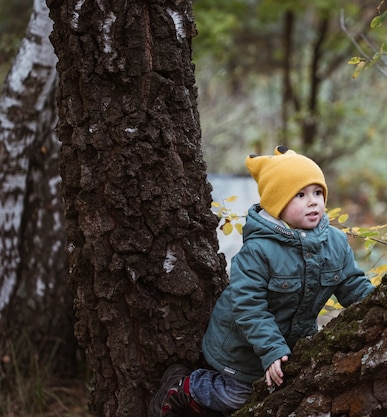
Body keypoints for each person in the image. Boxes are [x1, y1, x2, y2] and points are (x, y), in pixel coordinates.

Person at [151, 146, 375, 416]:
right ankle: (186, 387)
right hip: (241, 348)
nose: (313, 201)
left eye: (318, 192)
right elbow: (249, 307)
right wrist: (271, 350)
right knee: (239, 396)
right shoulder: (258, 251)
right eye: (300, 195)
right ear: (277, 203)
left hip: (287, 347)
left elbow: (352, 284)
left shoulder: (335, 243)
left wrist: (380, 302)